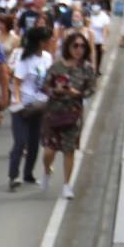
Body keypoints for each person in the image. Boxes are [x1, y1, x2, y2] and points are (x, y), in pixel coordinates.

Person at [39, 31, 96, 199]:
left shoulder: (87, 69)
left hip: (73, 114)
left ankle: (66, 185)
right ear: (68, 47)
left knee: (69, 150)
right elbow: (44, 86)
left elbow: (91, 89)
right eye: (75, 46)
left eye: (82, 46)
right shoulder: (57, 66)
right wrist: (55, 90)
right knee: (49, 151)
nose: (79, 49)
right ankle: (47, 170)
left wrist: (76, 93)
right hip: (53, 112)